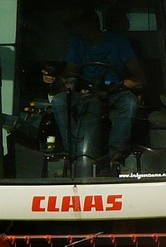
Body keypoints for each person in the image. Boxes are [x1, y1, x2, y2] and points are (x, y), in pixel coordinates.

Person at [43, 9, 146, 167]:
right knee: (59, 102)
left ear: (93, 24)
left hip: (114, 91)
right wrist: (54, 79)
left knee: (130, 102)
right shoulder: (77, 44)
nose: (78, 31)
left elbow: (138, 77)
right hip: (86, 93)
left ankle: (116, 153)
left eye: (81, 26)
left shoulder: (118, 42)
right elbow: (69, 76)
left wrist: (119, 86)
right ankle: (73, 152)